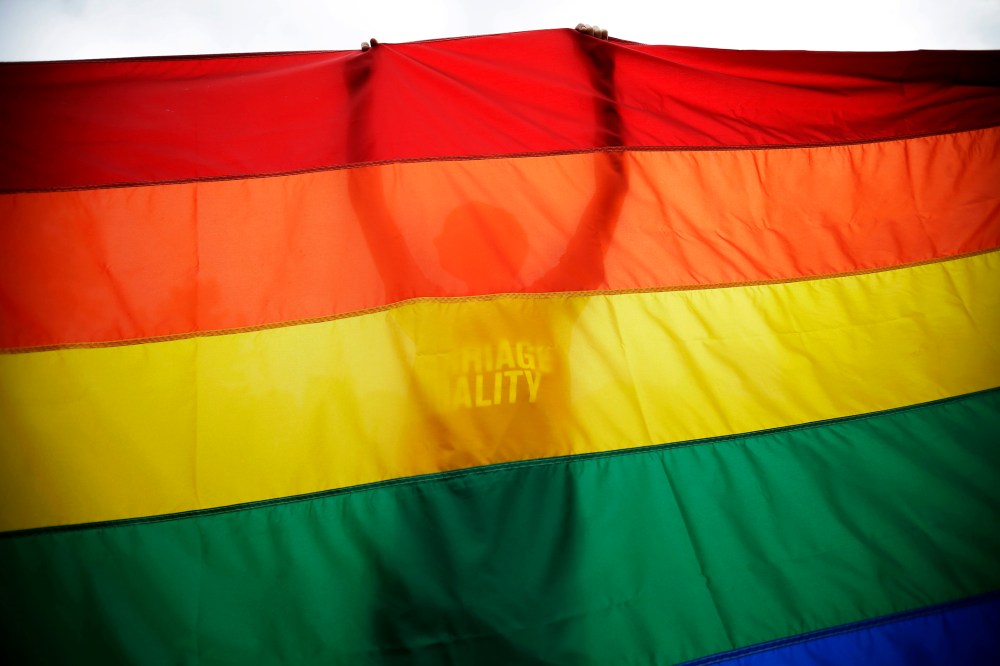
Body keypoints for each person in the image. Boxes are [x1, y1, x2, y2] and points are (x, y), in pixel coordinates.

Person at [346, 25, 630, 658]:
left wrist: (604, 79)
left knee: (533, 635)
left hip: (529, 496)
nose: (454, 251)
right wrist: (361, 98)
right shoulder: (431, 309)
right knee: (415, 633)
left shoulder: (543, 305)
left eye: (464, 238)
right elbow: (366, 201)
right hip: (441, 495)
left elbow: (610, 194)